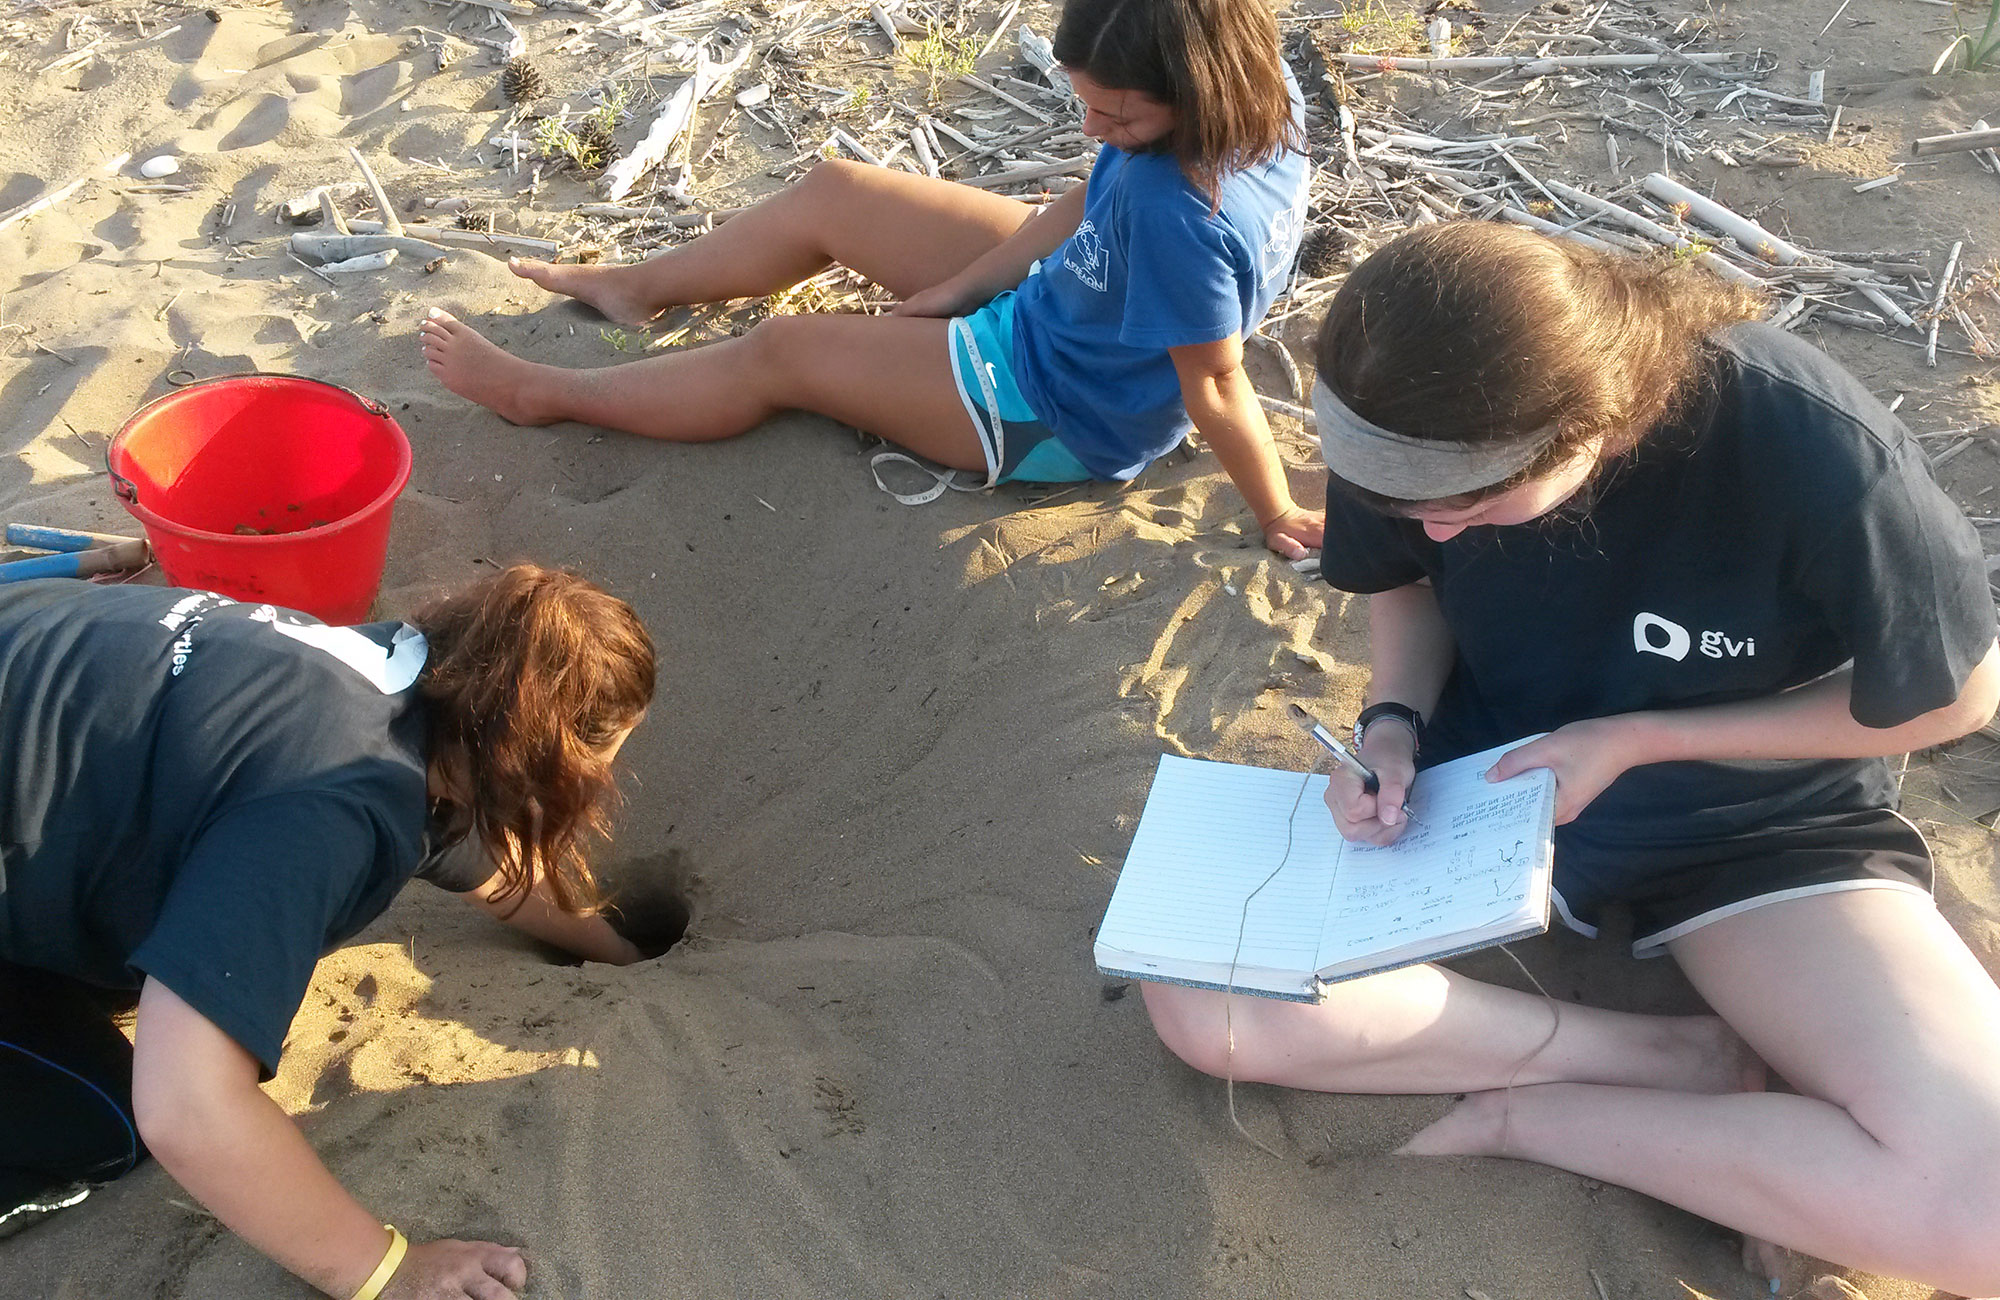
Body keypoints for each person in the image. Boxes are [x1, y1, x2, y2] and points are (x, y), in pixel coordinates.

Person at [1137, 222, 2000, 1295]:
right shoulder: (1400, 403)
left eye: (1470, 503)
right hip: (1483, 792)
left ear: (1605, 423)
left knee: (1985, 1216)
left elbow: (1959, 694)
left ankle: (1532, 1119)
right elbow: (1404, 580)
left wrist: (1642, 739)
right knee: (1205, 998)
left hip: (1754, 828)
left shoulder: (1810, 446)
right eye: (1404, 502)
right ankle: (1675, 1060)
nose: (1436, 532)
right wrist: (1391, 727)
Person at [418, 0, 1326, 559]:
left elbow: (1214, 383)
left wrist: (1278, 507)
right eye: (1085, 104)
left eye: (1116, 116)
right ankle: (638, 287)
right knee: (837, 193)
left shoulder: (1180, 214)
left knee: (782, 350)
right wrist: (964, 287)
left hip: (1060, 400)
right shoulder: (1256, 89)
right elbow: (1095, 195)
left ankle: (545, 394)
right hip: (1084, 290)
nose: (1093, 129)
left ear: (1195, 91)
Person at [0, 564, 657, 1300]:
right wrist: (390, 1271)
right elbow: (185, 1108)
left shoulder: (395, 681)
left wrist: (620, 949)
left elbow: (467, 853)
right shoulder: (332, 804)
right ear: (536, 765)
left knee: (129, 962)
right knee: (102, 1117)